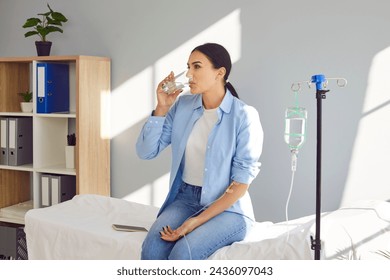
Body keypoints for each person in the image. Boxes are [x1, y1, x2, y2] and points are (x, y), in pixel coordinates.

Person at [136, 43, 263, 260]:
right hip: (185, 198)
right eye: (188, 67)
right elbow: (146, 152)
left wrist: (195, 221)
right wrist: (162, 108)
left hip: (228, 207)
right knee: (152, 250)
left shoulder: (244, 116)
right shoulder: (183, 106)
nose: (188, 74)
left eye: (196, 67)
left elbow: (240, 184)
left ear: (219, 73)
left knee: (181, 255)